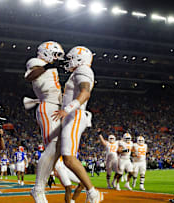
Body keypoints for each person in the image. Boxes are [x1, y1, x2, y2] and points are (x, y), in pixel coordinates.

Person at [52, 46, 103, 202]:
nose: (69, 61)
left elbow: (85, 92)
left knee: (68, 157)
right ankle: (91, 192)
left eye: (71, 58)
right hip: (71, 116)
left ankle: (93, 192)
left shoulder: (83, 70)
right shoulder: (78, 72)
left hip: (75, 115)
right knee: (64, 156)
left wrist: (67, 109)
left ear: (80, 58)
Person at [23, 41, 66, 203]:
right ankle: (38, 188)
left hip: (56, 107)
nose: (56, 59)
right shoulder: (35, 62)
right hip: (47, 107)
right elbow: (29, 76)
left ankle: (40, 186)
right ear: (46, 52)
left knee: (59, 148)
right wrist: (49, 67)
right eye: (54, 54)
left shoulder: (49, 66)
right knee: (53, 146)